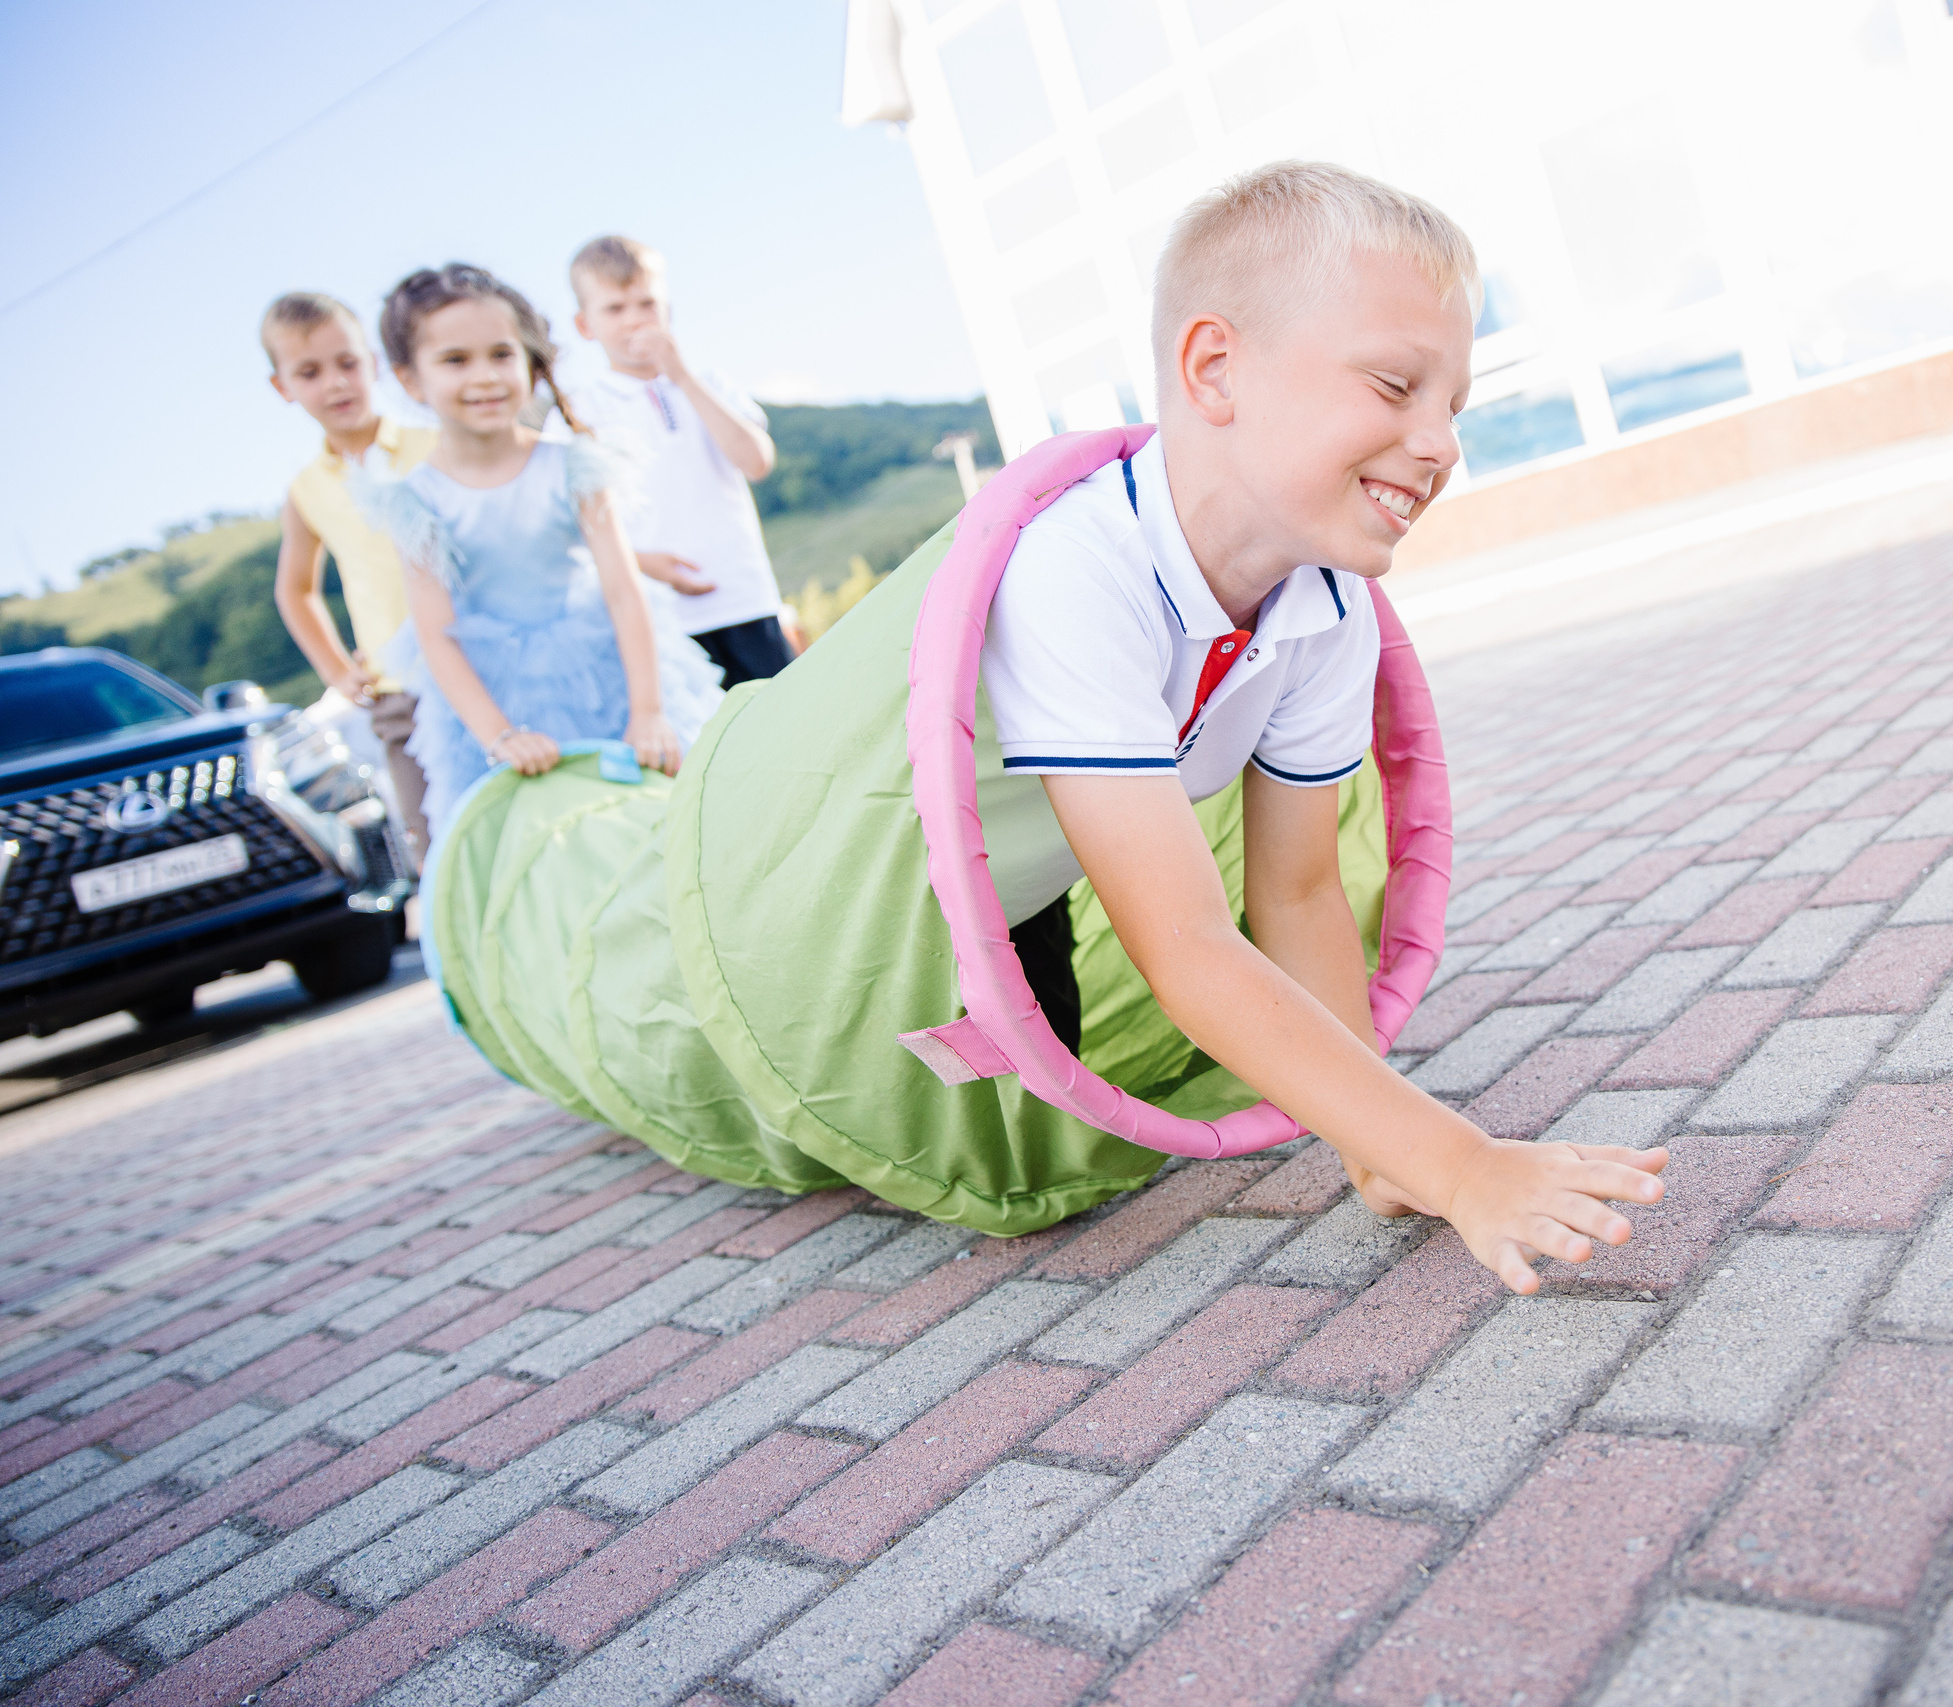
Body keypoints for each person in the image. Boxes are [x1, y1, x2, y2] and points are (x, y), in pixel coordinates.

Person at [423, 166, 1667, 1294]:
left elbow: (1290, 898)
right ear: (1214, 370)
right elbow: (1183, 944)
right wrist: (1463, 1167)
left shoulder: (1325, 610)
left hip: (1018, 894)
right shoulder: (1075, 569)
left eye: (1454, 397)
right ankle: (490, 904)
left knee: (1029, 1138)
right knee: (671, 1016)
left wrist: (1382, 1141)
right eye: (1396, 386)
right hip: (800, 883)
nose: (1441, 440)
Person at [366, 263, 724, 838]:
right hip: (496, 704)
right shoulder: (417, 501)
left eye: (501, 354)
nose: (485, 376)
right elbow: (436, 634)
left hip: (608, 674)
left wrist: (648, 711)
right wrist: (499, 735)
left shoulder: (574, 465)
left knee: (668, 829)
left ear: (529, 361)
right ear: (410, 380)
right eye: (456, 360)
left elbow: (623, 591)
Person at [562, 235, 793, 687]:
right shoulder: (579, 410)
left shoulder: (710, 384)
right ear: (585, 324)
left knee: (784, 728)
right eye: (614, 308)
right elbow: (569, 520)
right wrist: (643, 562)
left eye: (647, 303)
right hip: (658, 617)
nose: (634, 320)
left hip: (746, 598)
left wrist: (682, 376)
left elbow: (756, 461)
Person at [261, 292, 437, 862]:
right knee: (435, 844)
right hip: (399, 692)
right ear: (282, 387)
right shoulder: (307, 490)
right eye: (309, 372)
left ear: (375, 364)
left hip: (484, 660)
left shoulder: (434, 444)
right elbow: (295, 588)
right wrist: (337, 671)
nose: (335, 383)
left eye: (347, 364)